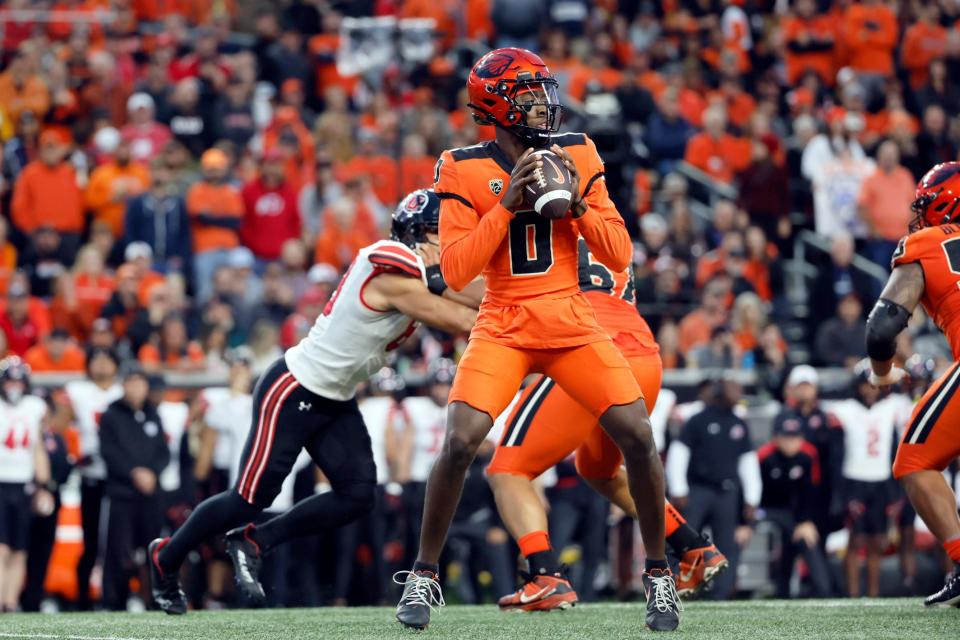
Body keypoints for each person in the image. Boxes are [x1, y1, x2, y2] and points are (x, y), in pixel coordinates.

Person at [394, 49, 679, 632]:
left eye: (542, 91)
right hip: (504, 320)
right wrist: (505, 203)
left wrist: (575, 204)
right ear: (497, 105)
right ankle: (424, 574)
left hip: (571, 320)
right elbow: (452, 268)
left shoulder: (576, 149)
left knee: (638, 437)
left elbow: (619, 253)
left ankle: (660, 575)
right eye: (528, 94)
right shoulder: (460, 166)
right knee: (462, 440)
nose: (543, 104)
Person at [147, 189, 478, 615]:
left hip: (335, 397)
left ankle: (255, 540)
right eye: (439, 233)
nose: (446, 243)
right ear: (414, 234)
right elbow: (464, 314)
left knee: (358, 494)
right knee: (249, 498)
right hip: (294, 387)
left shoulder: (418, 272)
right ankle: (166, 557)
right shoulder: (388, 263)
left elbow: (465, 289)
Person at [486, 237, 727, 610]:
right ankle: (693, 547)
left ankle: (545, 574)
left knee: (507, 469)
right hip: (642, 355)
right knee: (598, 469)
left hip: (589, 347)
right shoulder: (605, 223)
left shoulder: (543, 226)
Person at [865, 161, 960, 606]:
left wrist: (882, 373)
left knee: (915, 459)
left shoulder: (926, 243)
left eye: (926, 204)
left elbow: (882, 328)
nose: (919, 214)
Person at [665, 377, 761, 601]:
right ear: (719, 392)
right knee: (684, 540)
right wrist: (678, 488)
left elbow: (748, 462)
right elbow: (679, 453)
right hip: (698, 490)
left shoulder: (738, 423)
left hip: (727, 492)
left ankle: (721, 593)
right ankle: (678, 586)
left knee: (728, 544)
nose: (738, 391)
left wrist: (752, 498)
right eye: (732, 388)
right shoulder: (698, 420)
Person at [831, 362, 912, 598]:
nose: (869, 390)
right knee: (856, 539)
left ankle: (873, 595)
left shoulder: (892, 407)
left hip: (881, 480)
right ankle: (853, 595)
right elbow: (836, 453)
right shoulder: (845, 409)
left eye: (873, 385)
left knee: (877, 540)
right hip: (854, 479)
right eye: (865, 385)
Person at [99, 364, 170, 611]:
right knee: (119, 550)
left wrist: (152, 474)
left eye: (141, 383)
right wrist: (134, 474)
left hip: (151, 495)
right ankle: (115, 602)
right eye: (132, 383)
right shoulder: (111, 415)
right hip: (122, 494)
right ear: (124, 385)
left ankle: (152, 600)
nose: (137, 388)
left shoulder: (153, 414)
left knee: (152, 549)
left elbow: (163, 452)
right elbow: (109, 452)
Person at [56, 346, 122, 610]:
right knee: (91, 541)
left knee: (118, 543)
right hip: (92, 474)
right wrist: (74, 454)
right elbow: (58, 427)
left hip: (120, 476)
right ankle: (83, 597)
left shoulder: (122, 392)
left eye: (108, 358)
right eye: (97, 358)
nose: (103, 364)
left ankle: (116, 597)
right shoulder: (77, 392)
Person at [758, 413, 832, 598]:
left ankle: (824, 592)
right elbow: (751, 490)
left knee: (805, 535)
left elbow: (812, 491)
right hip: (764, 509)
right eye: (786, 437)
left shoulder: (808, 454)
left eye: (796, 437)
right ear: (776, 438)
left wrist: (806, 520)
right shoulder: (763, 456)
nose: (791, 442)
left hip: (794, 512)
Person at [0, 357, 51, 612]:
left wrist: (43, 485)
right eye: (10, 379)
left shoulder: (34, 407)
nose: (14, 385)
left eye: (19, 380)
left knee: (20, 548)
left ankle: (10, 602)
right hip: (1, 482)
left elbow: (38, 448)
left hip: (24, 484)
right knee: (1, 547)